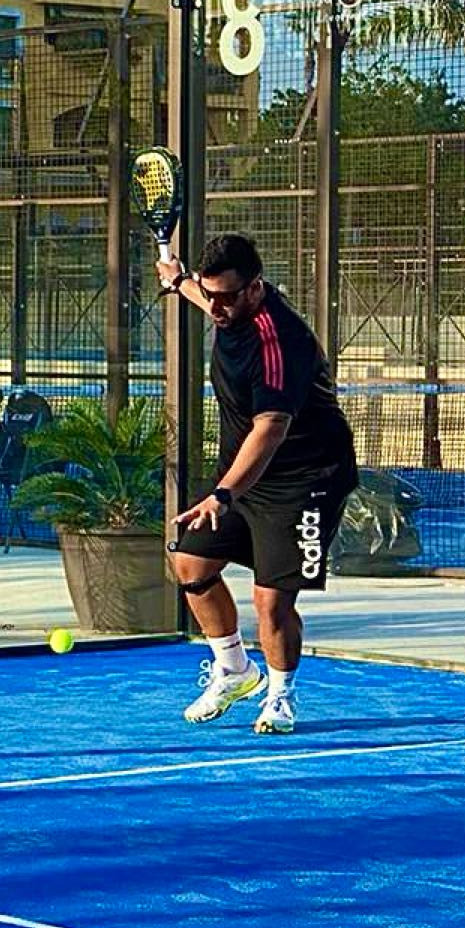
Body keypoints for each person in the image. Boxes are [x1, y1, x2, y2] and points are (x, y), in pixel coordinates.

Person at [157, 233, 358, 735]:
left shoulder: (278, 342)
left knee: (271, 601)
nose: (216, 308)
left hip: (303, 480)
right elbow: (207, 296)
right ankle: (233, 670)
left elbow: (269, 429)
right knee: (190, 563)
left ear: (255, 288)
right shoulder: (226, 303)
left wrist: (223, 494)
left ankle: (280, 695)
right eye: (211, 294)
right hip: (244, 474)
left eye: (226, 297)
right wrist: (180, 281)